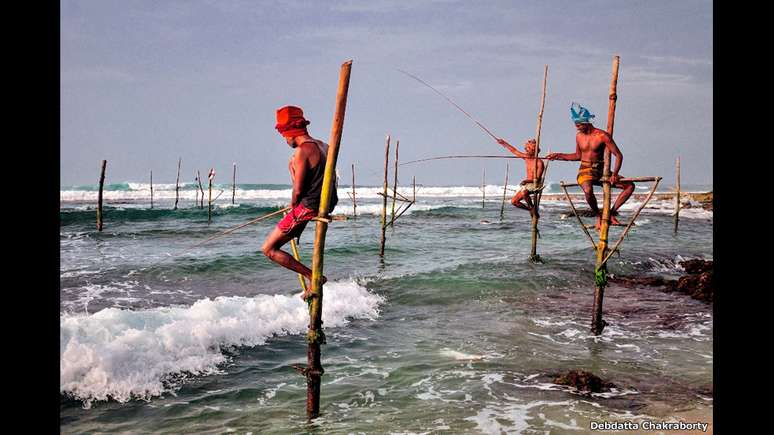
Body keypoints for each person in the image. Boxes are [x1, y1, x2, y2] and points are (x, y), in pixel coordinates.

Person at [261, 105, 338, 300]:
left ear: (290, 133)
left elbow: (298, 189)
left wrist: (293, 206)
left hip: (309, 205)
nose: (285, 141)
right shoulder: (323, 145)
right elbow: (325, 178)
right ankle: (313, 277)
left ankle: (313, 277)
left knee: (269, 249)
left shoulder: (303, 151)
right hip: (327, 202)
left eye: (284, 136)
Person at [546, 102, 634, 229]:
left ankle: (610, 213)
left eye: (580, 124)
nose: (577, 127)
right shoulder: (579, 136)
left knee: (630, 186)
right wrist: (559, 155)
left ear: (587, 122)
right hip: (585, 171)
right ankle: (599, 215)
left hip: (601, 171)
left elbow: (619, 155)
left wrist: (614, 174)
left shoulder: (602, 136)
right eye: (576, 125)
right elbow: (577, 156)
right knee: (588, 190)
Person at [496, 138, 545, 218]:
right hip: (527, 184)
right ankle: (530, 209)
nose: (526, 151)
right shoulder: (526, 158)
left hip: (535, 184)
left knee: (524, 192)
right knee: (514, 202)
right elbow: (514, 151)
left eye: (528, 149)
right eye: (526, 149)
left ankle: (532, 208)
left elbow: (538, 178)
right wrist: (504, 143)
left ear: (534, 151)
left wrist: (526, 180)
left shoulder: (539, 163)